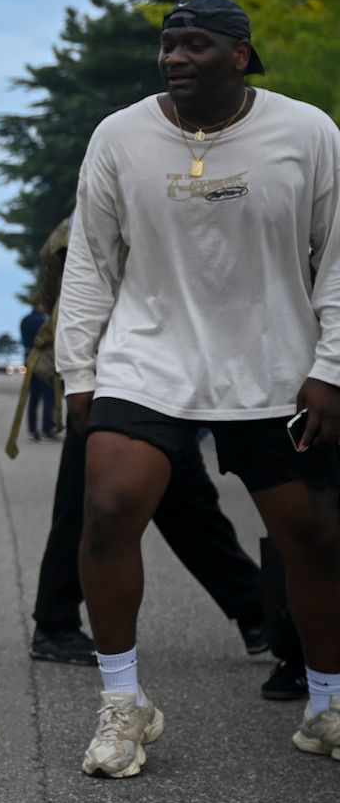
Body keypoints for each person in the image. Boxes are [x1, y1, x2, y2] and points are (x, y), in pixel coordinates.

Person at [57, 0, 340, 775]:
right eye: (168, 44)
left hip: (276, 363)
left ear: (240, 56)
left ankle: (327, 704)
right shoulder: (120, 136)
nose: (175, 58)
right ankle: (123, 706)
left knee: (315, 538)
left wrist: (332, 367)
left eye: (196, 45)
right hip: (149, 357)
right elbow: (91, 258)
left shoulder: (309, 132)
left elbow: (339, 256)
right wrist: (78, 368)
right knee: (109, 510)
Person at [13, 215, 268, 670]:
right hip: (118, 373)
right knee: (114, 504)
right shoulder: (109, 214)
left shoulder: (83, 220)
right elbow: (76, 299)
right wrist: (81, 374)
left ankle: (258, 612)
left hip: (145, 371)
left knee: (176, 499)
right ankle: (259, 613)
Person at [21, 300, 58, 440]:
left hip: (29, 361)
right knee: (48, 397)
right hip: (43, 364)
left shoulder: (24, 320)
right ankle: (47, 429)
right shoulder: (43, 322)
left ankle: (32, 431)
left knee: (33, 399)